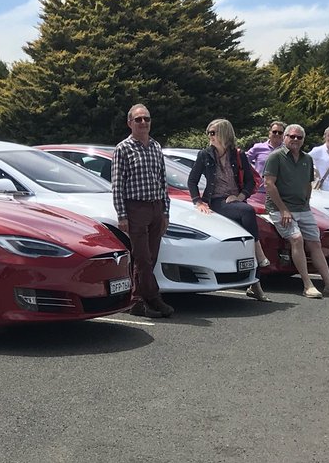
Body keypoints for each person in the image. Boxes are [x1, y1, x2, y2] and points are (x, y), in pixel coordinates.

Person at [263, 124, 329, 299]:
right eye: (292, 136)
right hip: (281, 209)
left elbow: (307, 184)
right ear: (285, 137)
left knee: (315, 243)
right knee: (296, 239)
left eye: (299, 137)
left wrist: (306, 201)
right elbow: (269, 184)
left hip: (303, 208)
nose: (295, 140)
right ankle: (307, 284)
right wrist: (283, 210)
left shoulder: (307, 159)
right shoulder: (276, 157)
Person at [188, 119, 270, 301]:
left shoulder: (238, 155)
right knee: (248, 211)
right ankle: (260, 254)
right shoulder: (205, 155)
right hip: (216, 201)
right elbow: (192, 180)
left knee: (246, 232)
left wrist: (239, 197)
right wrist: (199, 202)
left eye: (213, 132)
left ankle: (255, 283)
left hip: (234, 201)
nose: (209, 136)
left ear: (224, 134)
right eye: (208, 132)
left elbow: (250, 181)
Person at [111, 104, 174, 318]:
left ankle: (137, 300)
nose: (143, 123)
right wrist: (122, 215)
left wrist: (165, 211)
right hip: (135, 208)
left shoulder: (156, 146)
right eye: (138, 119)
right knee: (142, 257)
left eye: (146, 119)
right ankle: (153, 297)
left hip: (156, 206)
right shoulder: (123, 148)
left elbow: (162, 180)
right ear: (130, 123)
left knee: (151, 257)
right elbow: (117, 184)